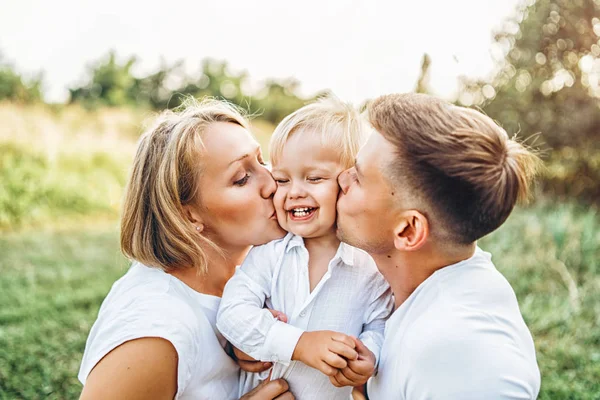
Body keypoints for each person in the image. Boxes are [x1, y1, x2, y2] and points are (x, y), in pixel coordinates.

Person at [78, 98, 294, 400]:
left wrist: (241, 336)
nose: (272, 183)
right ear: (188, 215)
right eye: (242, 178)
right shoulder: (155, 331)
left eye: (262, 160)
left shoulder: (260, 269)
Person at [336, 93, 542, 399]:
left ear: (408, 230)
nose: (342, 179)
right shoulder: (417, 286)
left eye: (360, 177)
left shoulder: (466, 355)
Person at [216, 97, 394, 399]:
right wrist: (300, 344)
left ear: (350, 181)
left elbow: (379, 323)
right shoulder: (271, 252)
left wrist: (370, 354)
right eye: (282, 179)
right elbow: (232, 314)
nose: (295, 192)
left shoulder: (369, 265)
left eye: (314, 178)